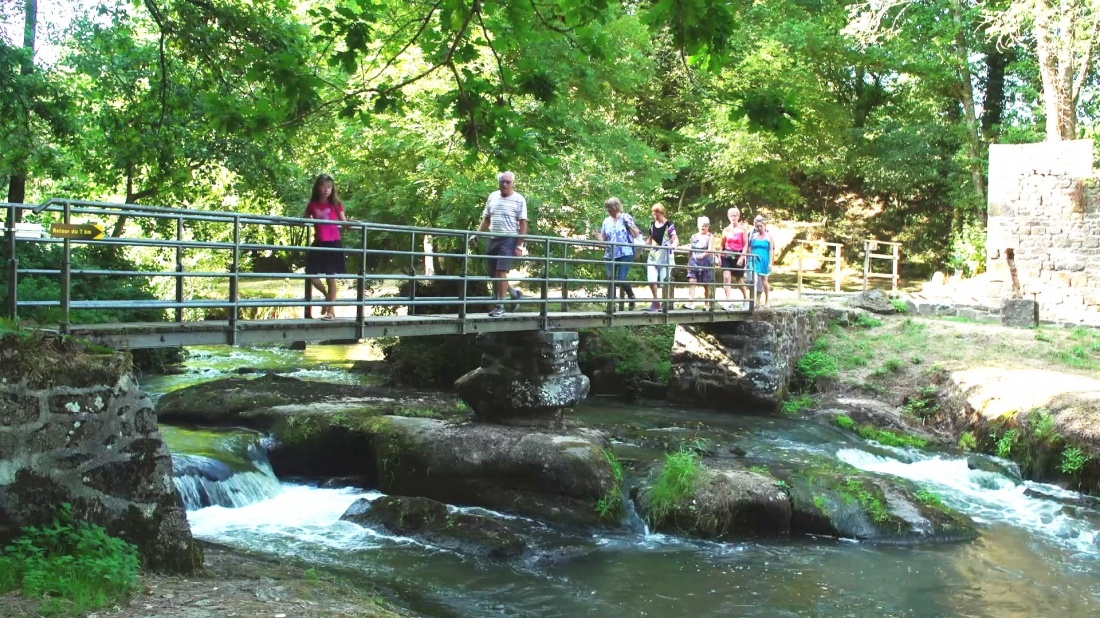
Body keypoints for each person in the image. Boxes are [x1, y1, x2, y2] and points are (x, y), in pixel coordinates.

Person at [473, 171, 528, 318]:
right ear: (498, 183)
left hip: (509, 239)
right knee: (493, 274)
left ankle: (500, 306)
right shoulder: (492, 196)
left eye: (507, 182)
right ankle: (514, 293)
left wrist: (519, 245)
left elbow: (523, 224)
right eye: (502, 181)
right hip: (493, 238)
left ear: (513, 184)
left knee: (501, 272)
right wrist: (477, 235)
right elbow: (487, 219)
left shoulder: (519, 199)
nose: (504, 184)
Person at [304, 173, 347, 320]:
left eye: (329, 187)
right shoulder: (312, 205)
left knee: (330, 277)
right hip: (319, 242)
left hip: (333, 242)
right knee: (311, 275)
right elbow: (303, 220)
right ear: (317, 188)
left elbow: (344, 223)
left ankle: (331, 311)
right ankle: (327, 297)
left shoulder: (336, 204)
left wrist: (353, 224)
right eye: (323, 186)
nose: (326, 189)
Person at [599, 197, 641, 310]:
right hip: (610, 253)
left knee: (621, 278)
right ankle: (611, 305)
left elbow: (636, 233)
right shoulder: (606, 221)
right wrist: (598, 237)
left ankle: (631, 296)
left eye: (610, 209)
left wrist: (629, 224)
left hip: (625, 252)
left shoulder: (625, 217)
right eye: (607, 209)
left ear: (616, 208)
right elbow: (603, 238)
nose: (609, 211)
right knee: (610, 278)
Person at [644, 203, 678, 312]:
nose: (656, 217)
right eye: (654, 214)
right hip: (653, 256)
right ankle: (655, 302)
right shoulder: (652, 225)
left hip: (665, 256)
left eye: (657, 214)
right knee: (651, 279)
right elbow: (649, 239)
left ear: (662, 213)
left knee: (664, 281)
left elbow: (675, 238)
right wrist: (643, 245)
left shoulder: (669, 225)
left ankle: (665, 303)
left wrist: (674, 245)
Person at [719, 207, 749, 309]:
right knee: (726, 277)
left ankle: (746, 299)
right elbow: (722, 245)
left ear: (738, 216)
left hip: (738, 255)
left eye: (735, 215)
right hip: (726, 255)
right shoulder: (726, 230)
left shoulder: (742, 229)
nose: (733, 217)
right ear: (728, 217)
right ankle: (728, 301)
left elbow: (745, 244)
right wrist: (719, 256)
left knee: (739, 280)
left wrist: (742, 257)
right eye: (731, 215)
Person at [685, 216, 714, 308]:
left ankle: (707, 304)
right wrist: (688, 263)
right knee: (692, 281)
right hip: (694, 261)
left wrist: (703, 254)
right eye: (702, 225)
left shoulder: (710, 236)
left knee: (706, 285)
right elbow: (690, 250)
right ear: (698, 225)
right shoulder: (693, 236)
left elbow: (710, 249)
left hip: (705, 262)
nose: (703, 227)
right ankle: (690, 302)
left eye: (705, 225)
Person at [748, 215, 777, 306]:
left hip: (764, 260)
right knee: (754, 280)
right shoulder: (753, 236)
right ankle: (754, 301)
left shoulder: (769, 237)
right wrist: (749, 257)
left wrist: (770, 263)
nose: (759, 228)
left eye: (761, 226)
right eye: (757, 226)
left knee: (764, 281)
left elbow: (771, 250)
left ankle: (767, 300)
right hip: (754, 259)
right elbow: (750, 247)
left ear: (764, 226)